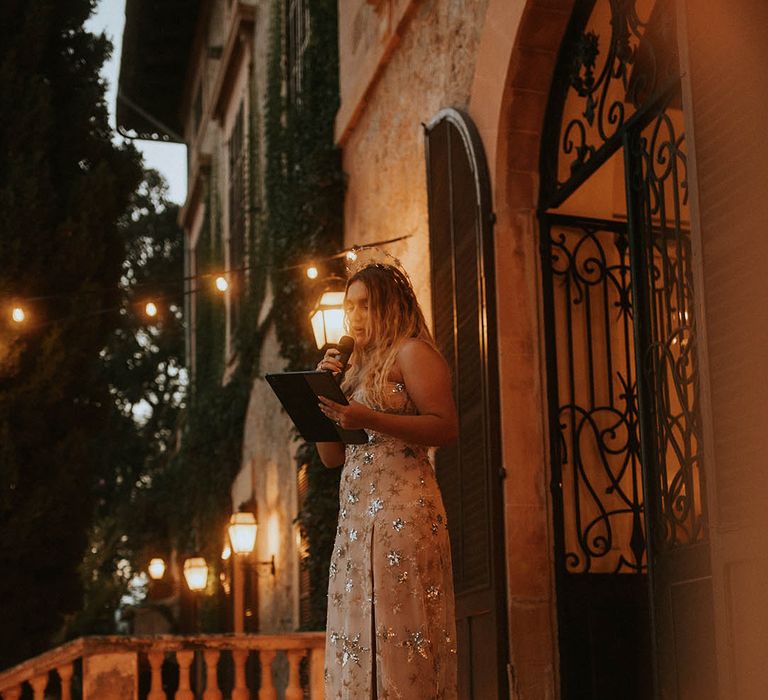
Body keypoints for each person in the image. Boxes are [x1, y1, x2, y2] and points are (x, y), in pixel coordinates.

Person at [315, 261, 459, 699]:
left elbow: (446, 428)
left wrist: (371, 417)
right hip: (355, 521)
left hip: (402, 517)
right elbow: (330, 457)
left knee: (400, 634)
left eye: (366, 305)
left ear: (390, 306)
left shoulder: (413, 353)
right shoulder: (353, 370)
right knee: (358, 638)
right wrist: (320, 394)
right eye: (350, 307)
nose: (355, 317)